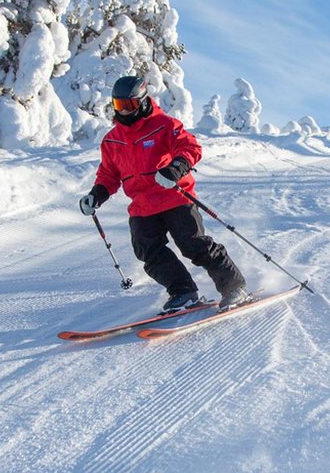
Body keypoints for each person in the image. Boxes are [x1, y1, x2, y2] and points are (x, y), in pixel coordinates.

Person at [79, 74, 251, 312]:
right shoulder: (112, 141)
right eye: (119, 106)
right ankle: (183, 291)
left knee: (193, 245)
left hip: (174, 197)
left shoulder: (164, 125)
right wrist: (96, 195)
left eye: (130, 105)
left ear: (143, 100)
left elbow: (190, 147)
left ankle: (234, 287)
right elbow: (108, 175)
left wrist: (176, 168)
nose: (125, 111)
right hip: (141, 206)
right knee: (148, 251)